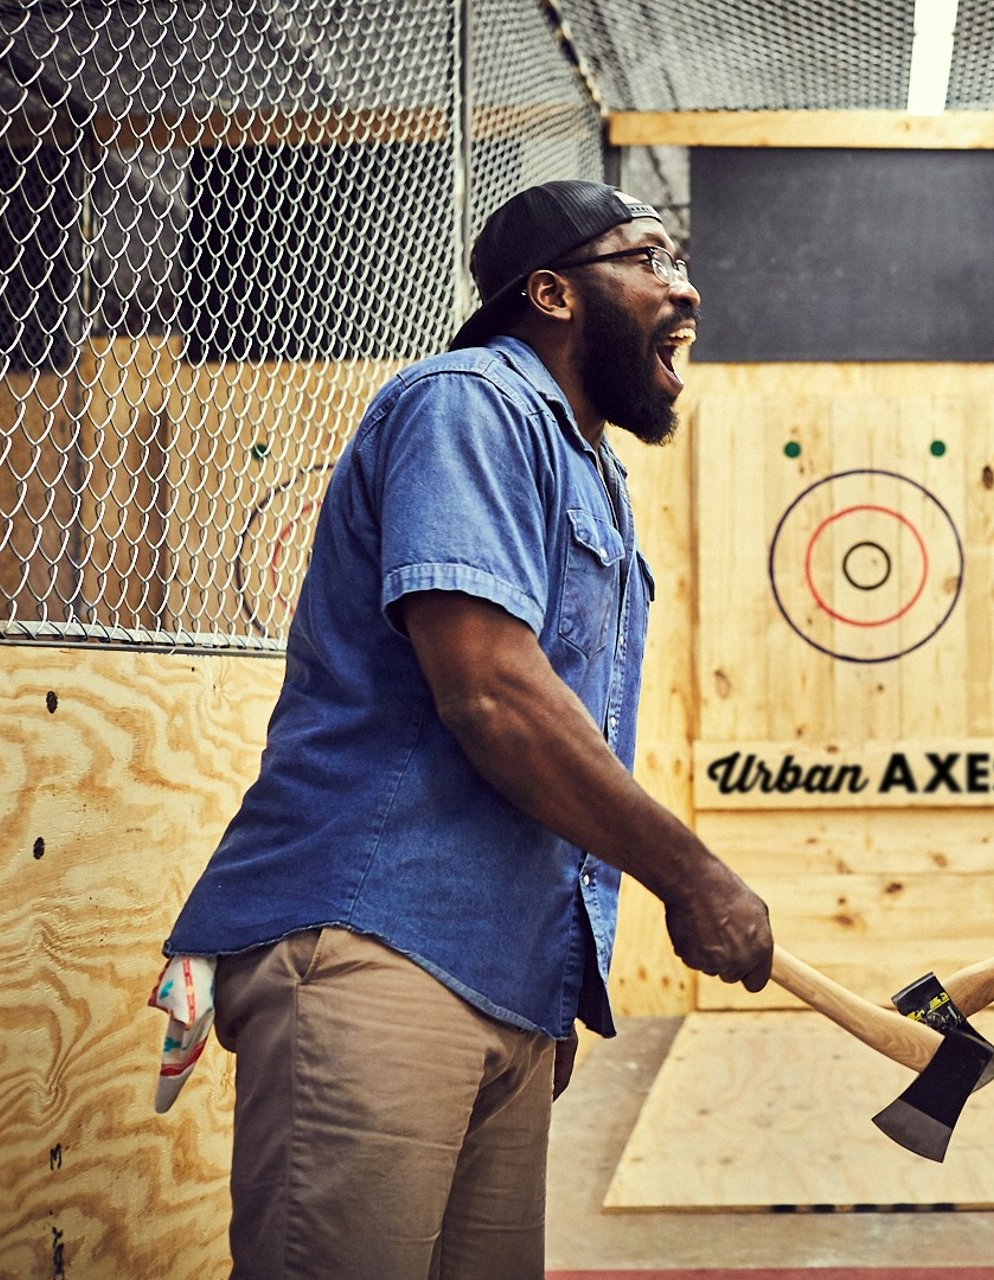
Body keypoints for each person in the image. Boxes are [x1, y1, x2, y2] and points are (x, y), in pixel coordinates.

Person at [163, 179, 775, 1280]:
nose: (683, 284)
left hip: (500, 981)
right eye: (646, 256)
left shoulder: (593, 468)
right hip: (378, 949)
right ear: (552, 293)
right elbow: (492, 691)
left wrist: (544, 994)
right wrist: (695, 875)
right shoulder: (468, 404)